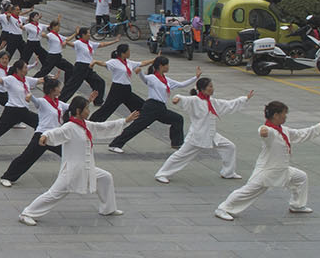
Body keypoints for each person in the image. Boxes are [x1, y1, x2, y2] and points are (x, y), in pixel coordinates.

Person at [18, 97, 138, 226]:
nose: (88, 110)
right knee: (54, 194)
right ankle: (27, 213)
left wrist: (125, 121)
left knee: (105, 177)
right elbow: (57, 132)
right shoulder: (70, 126)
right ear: (78, 111)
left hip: (86, 167)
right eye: (86, 108)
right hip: (72, 171)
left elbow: (102, 127)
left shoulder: (85, 124)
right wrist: (45, 135)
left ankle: (108, 208)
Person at [214, 101, 320, 221]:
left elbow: (300, 134)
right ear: (276, 115)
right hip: (267, 171)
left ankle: (297, 205)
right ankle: (223, 208)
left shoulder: (283, 130)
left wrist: (319, 126)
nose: (286, 116)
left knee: (301, 177)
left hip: (282, 169)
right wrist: (263, 131)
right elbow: (264, 131)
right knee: (248, 191)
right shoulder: (270, 130)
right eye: (284, 114)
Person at [154, 81, 253, 184]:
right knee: (181, 155)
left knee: (229, 147)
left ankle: (228, 172)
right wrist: (177, 99)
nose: (212, 88)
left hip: (211, 135)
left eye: (212, 86)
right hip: (197, 136)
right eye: (210, 86)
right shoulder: (195, 100)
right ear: (202, 89)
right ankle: (161, 174)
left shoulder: (212, 101)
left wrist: (244, 99)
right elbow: (183, 99)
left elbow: (228, 104)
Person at [107, 57, 193, 153]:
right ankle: (114, 144)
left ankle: (176, 143)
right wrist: (140, 72)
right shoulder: (152, 78)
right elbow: (144, 79)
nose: (168, 67)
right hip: (151, 107)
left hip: (161, 108)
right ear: (161, 66)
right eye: (167, 65)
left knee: (177, 119)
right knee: (136, 127)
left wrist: (196, 77)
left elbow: (181, 84)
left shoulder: (166, 80)